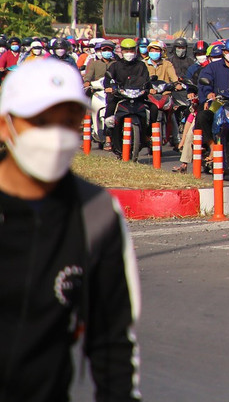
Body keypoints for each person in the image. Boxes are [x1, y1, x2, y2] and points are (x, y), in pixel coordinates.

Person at [0, 58, 141, 402]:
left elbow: (113, 340)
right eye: (41, 121)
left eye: (68, 123)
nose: (55, 136)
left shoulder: (95, 212)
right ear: (5, 125)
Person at [102, 38, 151, 151]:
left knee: (152, 109)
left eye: (131, 50)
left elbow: (147, 80)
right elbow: (108, 79)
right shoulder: (115, 65)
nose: (129, 53)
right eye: (126, 50)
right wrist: (109, 87)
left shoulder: (141, 65)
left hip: (137, 96)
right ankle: (108, 138)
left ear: (135, 50)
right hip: (120, 95)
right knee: (110, 108)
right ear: (122, 51)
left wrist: (148, 89)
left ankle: (148, 136)